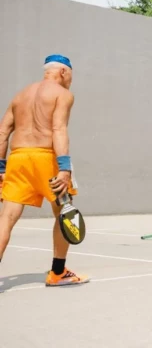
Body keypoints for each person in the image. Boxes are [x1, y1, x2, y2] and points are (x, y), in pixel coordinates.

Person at [0, 54, 89, 286]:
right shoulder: (63, 94)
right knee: (64, 213)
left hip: (17, 158)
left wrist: (1, 167)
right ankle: (57, 273)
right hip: (47, 159)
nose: (71, 80)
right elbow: (59, 128)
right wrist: (65, 168)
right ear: (63, 72)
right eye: (71, 75)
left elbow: (2, 133)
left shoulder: (20, 96)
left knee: (6, 218)